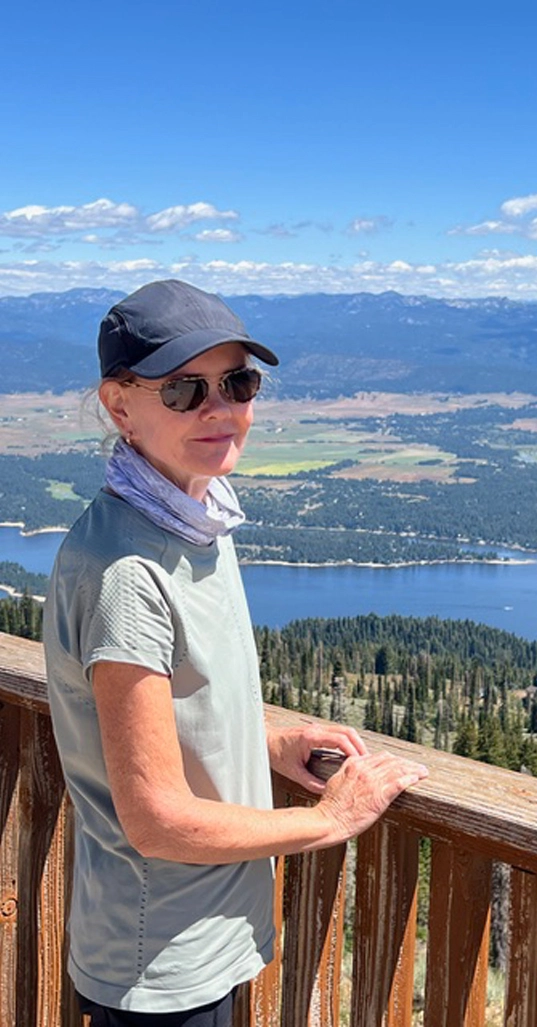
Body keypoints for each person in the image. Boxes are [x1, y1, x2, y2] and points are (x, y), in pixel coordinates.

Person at [43, 279, 428, 1027]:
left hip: (197, 937)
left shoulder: (194, 520)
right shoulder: (129, 571)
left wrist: (268, 744)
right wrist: (331, 820)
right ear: (119, 406)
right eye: (184, 389)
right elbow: (155, 819)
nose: (219, 408)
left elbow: (167, 718)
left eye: (238, 383)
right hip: (163, 961)